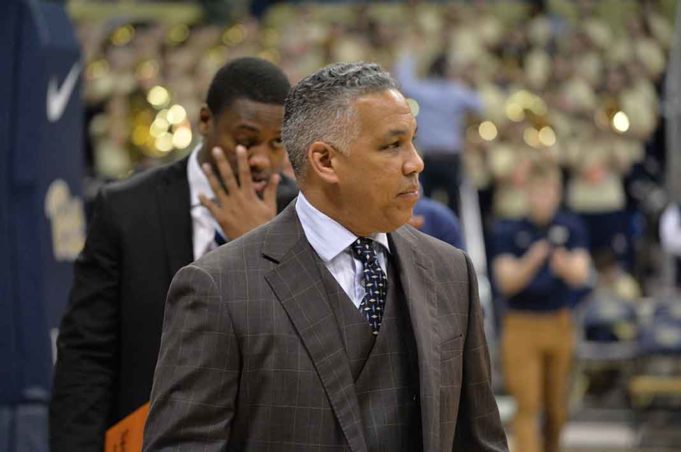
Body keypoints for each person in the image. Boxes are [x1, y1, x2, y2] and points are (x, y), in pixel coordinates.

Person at [143, 62, 507, 451]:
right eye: (392, 145)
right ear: (325, 161)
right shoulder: (217, 287)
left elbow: (480, 441)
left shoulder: (451, 271)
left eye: (412, 141)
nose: (416, 162)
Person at [50, 57, 293, 451]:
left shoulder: (301, 215)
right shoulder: (127, 210)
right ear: (205, 121)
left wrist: (257, 245)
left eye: (277, 142)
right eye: (246, 140)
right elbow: (86, 354)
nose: (262, 159)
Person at [492, 161, 591, 452]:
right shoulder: (508, 229)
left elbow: (581, 273)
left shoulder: (571, 227)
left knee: (557, 408)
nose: (544, 199)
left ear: (558, 193)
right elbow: (506, 281)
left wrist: (562, 264)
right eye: (538, 192)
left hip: (559, 321)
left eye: (549, 192)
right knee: (527, 404)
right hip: (520, 323)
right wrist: (532, 260)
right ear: (527, 193)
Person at [394, 50, 482, 214]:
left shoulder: (423, 91)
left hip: (430, 157)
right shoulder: (456, 91)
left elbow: (404, 82)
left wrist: (408, 56)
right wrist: (466, 79)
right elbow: (479, 104)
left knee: (424, 203)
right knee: (454, 206)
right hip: (451, 157)